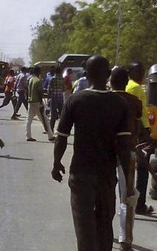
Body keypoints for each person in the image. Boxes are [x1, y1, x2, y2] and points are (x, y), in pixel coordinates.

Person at [52, 55, 132, 251]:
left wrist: (56, 163)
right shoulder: (120, 104)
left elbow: (61, 136)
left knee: (84, 226)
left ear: (86, 75)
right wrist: (127, 183)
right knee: (105, 225)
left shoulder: (75, 100)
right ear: (108, 75)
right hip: (106, 176)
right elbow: (124, 146)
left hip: (81, 174)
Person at [110, 67, 144, 250]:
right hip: (127, 153)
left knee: (104, 193)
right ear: (127, 81)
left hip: (105, 152)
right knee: (128, 196)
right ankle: (125, 239)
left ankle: (103, 232)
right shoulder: (134, 101)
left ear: (110, 81)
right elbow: (138, 121)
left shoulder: (103, 100)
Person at [126, 61, 154, 215]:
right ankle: (140, 205)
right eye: (138, 72)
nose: (142, 75)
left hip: (133, 132)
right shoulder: (135, 88)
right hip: (140, 133)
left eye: (143, 71)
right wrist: (146, 135)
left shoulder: (128, 86)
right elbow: (138, 115)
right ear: (130, 73)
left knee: (131, 169)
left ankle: (132, 202)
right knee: (142, 169)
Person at [24, 66, 54, 142]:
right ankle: (50, 136)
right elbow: (40, 93)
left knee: (29, 120)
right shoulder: (38, 80)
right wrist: (42, 102)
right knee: (45, 119)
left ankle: (28, 136)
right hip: (37, 102)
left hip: (30, 101)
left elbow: (27, 90)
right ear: (38, 72)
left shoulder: (30, 79)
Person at [47, 66, 65, 139]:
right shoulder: (62, 79)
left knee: (53, 116)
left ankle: (51, 131)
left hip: (54, 98)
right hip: (60, 98)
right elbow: (64, 89)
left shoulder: (52, 79)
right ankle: (62, 130)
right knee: (62, 115)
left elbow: (49, 89)